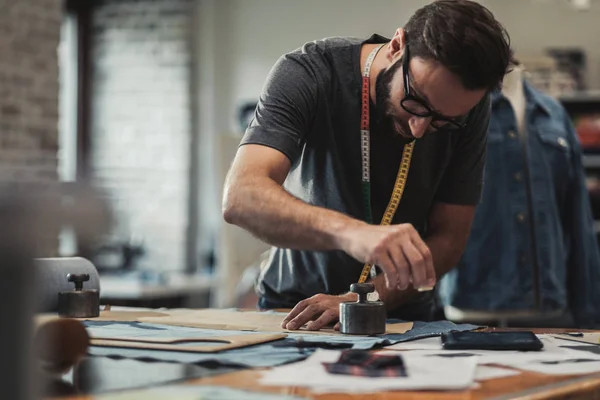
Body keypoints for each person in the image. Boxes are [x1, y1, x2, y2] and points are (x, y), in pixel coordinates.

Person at [222, 0, 513, 331]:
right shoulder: (311, 72)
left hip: (402, 318)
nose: (420, 128)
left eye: (443, 121)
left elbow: (449, 238)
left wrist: (364, 300)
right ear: (397, 46)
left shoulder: (470, 110)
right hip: (296, 313)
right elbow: (241, 196)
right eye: (416, 101)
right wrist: (351, 233)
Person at [437, 65, 600, 329]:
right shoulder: (464, 109)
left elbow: (578, 217)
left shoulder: (553, 113)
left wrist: (589, 307)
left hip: (549, 303)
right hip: (472, 300)